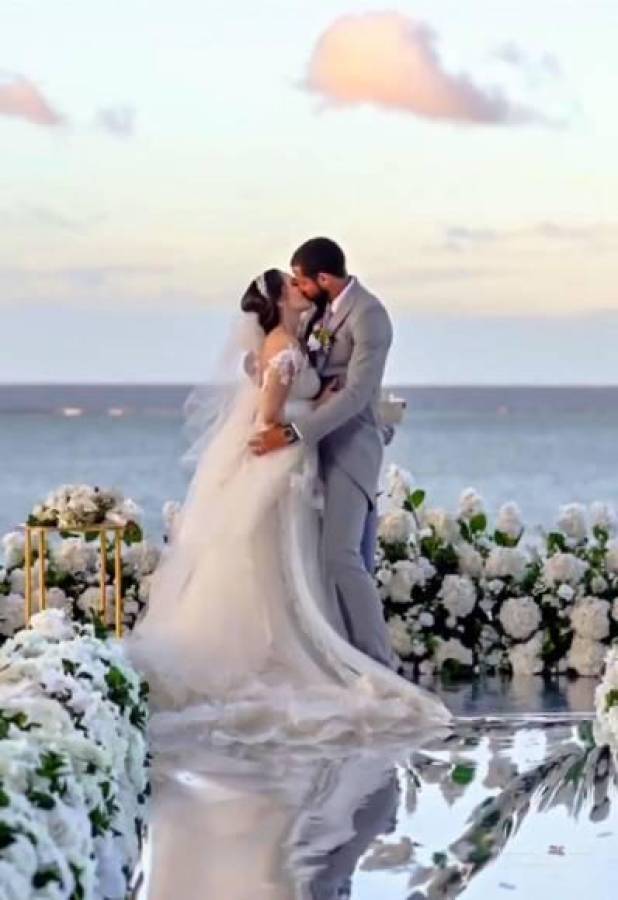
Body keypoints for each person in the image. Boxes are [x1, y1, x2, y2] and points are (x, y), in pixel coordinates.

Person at [124, 257, 451, 748]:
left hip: (306, 460)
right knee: (285, 562)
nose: (299, 288)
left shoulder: (316, 332)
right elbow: (269, 414)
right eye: (291, 284)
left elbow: (320, 386)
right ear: (280, 299)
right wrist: (309, 411)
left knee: (301, 562)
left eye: (302, 279)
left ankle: (343, 652)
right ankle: (329, 656)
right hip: (285, 461)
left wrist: (317, 401)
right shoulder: (285, 347)